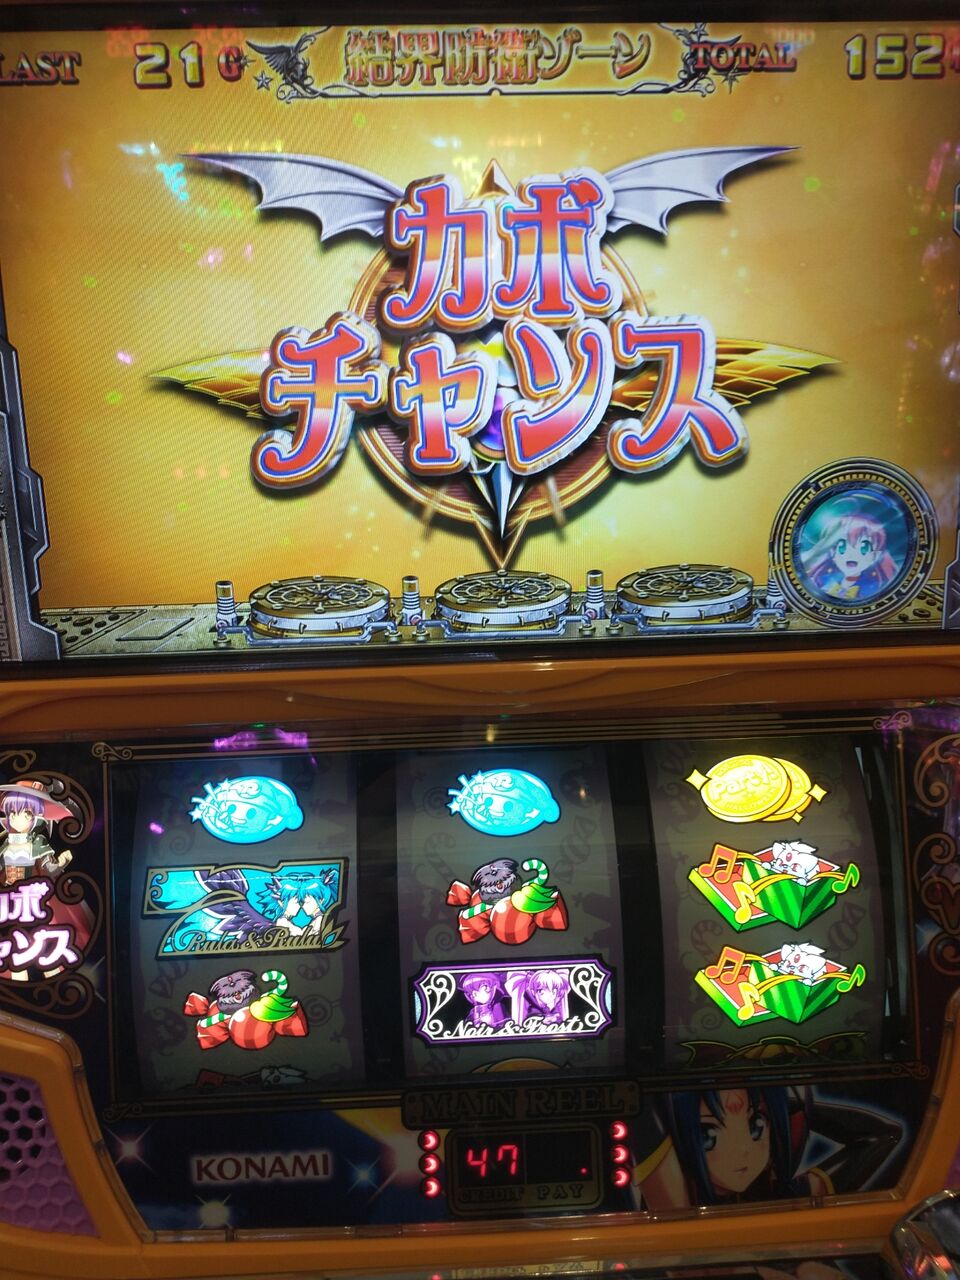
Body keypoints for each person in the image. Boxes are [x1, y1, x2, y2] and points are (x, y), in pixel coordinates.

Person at [801, 511, 899, 602]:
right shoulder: (820, 580)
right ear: (833, 553)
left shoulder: (874, 587)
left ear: (876, 555)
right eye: (842, 546)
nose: (850, 554)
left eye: (864, 548)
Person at [0, 778, 73, 886]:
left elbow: (50, 870)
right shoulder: (8, 843)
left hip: (31, 891)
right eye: (11, 811)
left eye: (27, 812)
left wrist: (61, 864)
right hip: (9, 891)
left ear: (35, 816)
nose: (13, 816)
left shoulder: (38, 841)